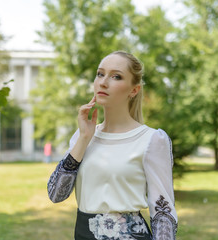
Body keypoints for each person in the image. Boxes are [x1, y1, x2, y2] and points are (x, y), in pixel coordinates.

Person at [47, 51, 178, 240]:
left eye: (116, 76)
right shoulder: (83, 136)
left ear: (134, 90)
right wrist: (84, 138)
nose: (103, 82)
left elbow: (162, 211)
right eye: (100, 74)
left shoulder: (151, 139)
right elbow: (56, 194)